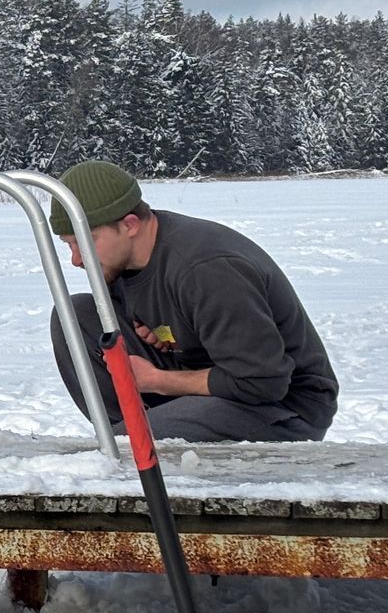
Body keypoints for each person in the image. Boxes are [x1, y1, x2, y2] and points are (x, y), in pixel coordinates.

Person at [47, 159, 338, 444]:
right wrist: (162, 335)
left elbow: (264, 383)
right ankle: (135, 435)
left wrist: (157, 380)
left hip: (282, 408)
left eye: (86, 242)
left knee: (129, 443)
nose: (76, 259)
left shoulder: (205, 268)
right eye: (69, 245)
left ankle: (138, 443)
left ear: (130, 225)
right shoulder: (120, 262)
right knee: (74, 316)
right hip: (204, 381)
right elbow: (152, 318)